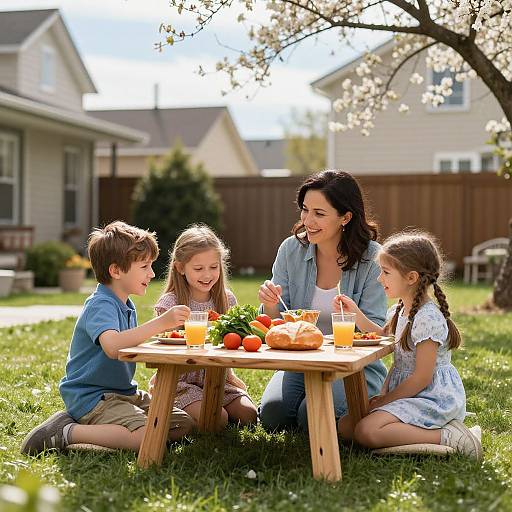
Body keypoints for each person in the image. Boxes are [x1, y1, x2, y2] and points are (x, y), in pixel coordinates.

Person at [21, 221, 194, 455]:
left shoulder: (125, 303)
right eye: (144, 266)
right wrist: (161, 323)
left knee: (181, 424)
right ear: (116, 270)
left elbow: (129, 342)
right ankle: (65, 431)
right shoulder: (101, 304)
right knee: (149, 438)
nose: (152, 273)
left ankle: (105, 434)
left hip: (123, 393)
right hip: (93, 397)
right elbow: (112, 347)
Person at [258, 170, 387, 431]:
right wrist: (270, 302)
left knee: (313, 417)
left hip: (352, 367)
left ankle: (356, 409)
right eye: (305, 210)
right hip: (301, 362)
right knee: (273, 416)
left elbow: (376, 332)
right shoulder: (291, 250)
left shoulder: (372, 260)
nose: (308, 220)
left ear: (345, 217)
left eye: (319, 213)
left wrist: (352, 317)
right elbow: (274, 325)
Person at [335, 231, 482, 459]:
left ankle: (451, 436)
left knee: (365, 430)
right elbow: (382, 336)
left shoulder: (427, 318)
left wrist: (384, 400)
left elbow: (421, 378)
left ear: (411, 278)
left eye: (385, 272)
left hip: (429, 396)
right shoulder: (399, 311)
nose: (378, 279)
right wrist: (354, 312)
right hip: (405, 392)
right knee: (346, 426)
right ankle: (399, 436)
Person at [150, 224, 257, 428]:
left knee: (249, 415)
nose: (207, 275)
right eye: (198, 269)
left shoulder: (226, 299)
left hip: (219, 379)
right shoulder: (171, 304)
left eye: (213, 267)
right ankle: (168, 405)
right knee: (218, 419)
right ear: (180, 267)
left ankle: (207, 410)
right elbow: (163, 349)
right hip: (181, 382)